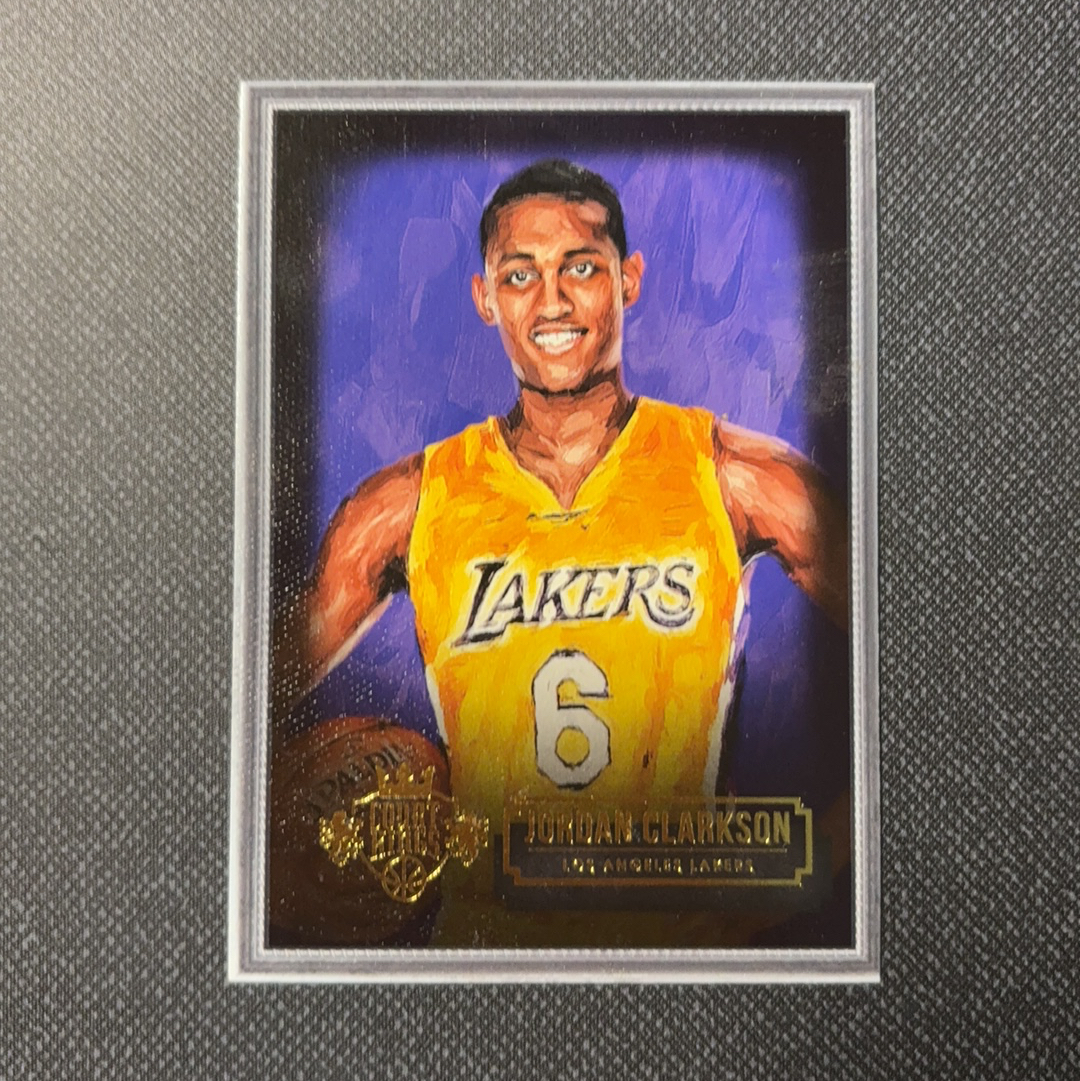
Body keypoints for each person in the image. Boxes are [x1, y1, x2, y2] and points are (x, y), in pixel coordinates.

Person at [272, 158, 847, 835]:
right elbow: (252, 693)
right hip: (490, 902)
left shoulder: (732, 474)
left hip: (677, 903)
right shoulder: (406, 504)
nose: (552, 302)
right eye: (520, 276)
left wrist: (825, 868)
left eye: (580, 268)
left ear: (628, 279)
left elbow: (910, 647)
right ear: (485, 297)